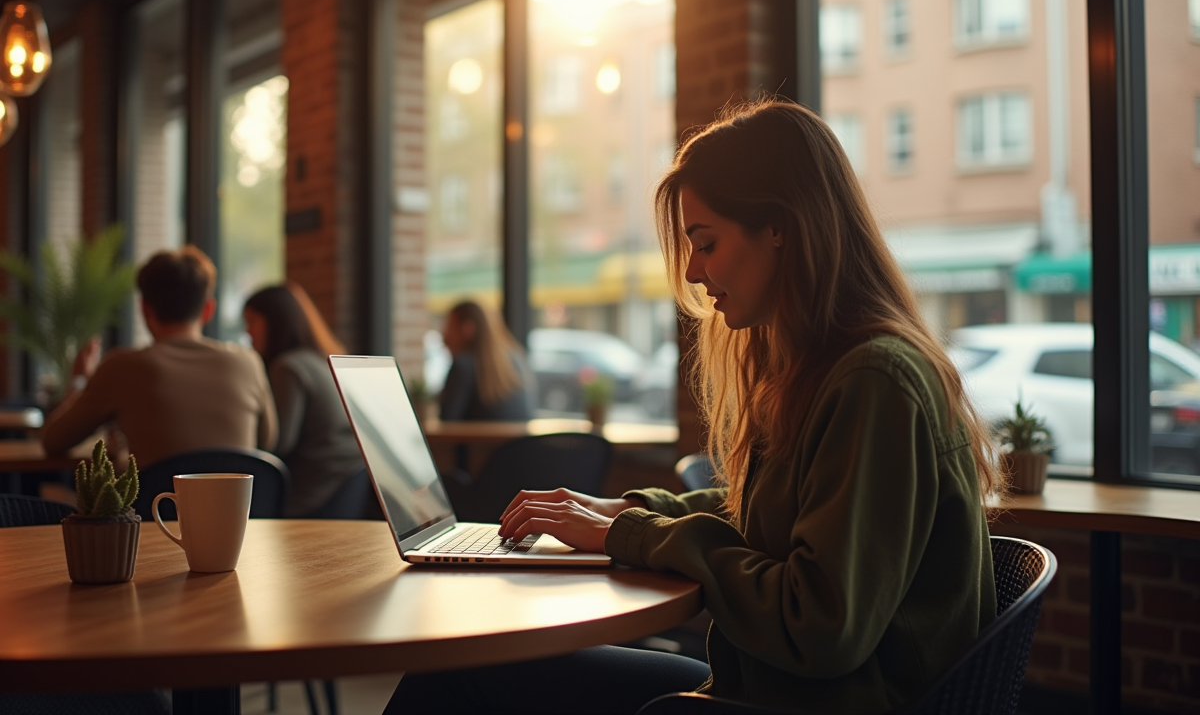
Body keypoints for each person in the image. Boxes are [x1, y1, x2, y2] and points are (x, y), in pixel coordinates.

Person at [384, 99, 1002, 715]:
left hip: (801, 703)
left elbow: (818, 626)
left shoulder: (875, 380)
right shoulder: (826, 372)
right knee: (464, 669)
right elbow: (762, 519)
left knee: (454, 680)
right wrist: (623, 512)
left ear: (781, 228)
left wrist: (637, 536)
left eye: (705, 243)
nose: (694, 272)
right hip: (766, 689)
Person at [43, 245, 277, 467]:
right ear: (208, 310)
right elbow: (267, 442)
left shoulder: (123, 367)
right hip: (236, 509)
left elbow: (53, 441)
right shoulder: (248, 363)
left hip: (155, 508)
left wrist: (79, 381)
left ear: (145, 309)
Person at [242, 283, 365, 517]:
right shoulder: (321, 361)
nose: (248, 332)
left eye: (252, 321)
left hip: (309, 497)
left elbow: (278, 445)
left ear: (275, 322)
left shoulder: (288, 367)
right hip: (342, 493)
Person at [437, 300, 535, 421]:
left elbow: (447, 421)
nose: (444, 335)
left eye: (449, 326)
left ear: (468, 328)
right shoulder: (516, 360)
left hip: (478, 440)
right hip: (522, 440)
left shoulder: (462, 366)